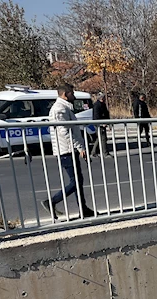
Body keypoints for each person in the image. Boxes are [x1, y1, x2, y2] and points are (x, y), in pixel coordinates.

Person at [44, 83, 94, 219]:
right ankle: (52, 201)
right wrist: (79, 147)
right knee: (76, 181)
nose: (74, 96)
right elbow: (65, 132)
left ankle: (83, 209)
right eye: (72, 93)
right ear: (65, 95)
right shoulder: (60, 109)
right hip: (66, 150)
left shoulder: (65, 108)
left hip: (69, 149)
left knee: (77, 180)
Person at [90, 92, 110, 157]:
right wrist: (101, 124)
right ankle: (105, 153)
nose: (104, 98)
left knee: (99, 138)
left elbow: (106, 114)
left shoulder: (103, 105)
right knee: (103, 138)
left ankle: (93, 152)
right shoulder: (97, 105)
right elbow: (96, 116)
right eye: (103, 97)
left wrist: (108, 123)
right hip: (99, 124)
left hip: (103, 123)